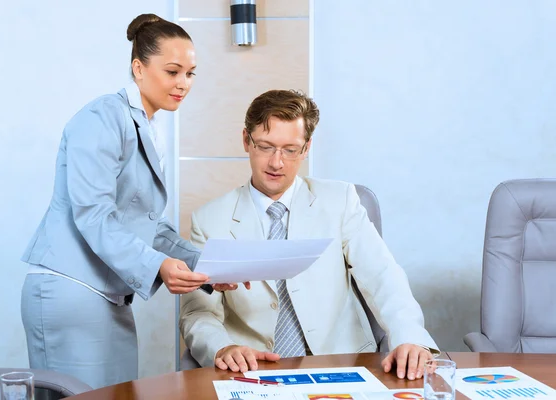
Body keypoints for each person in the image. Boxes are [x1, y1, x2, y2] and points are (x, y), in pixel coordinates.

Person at [20, 13, 227, 389]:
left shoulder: (150, 125)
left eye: (191, 73)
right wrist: (158, 265)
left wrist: (207, 267)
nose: (183, 84)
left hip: (107, 296)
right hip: (72, 290)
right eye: (173, 71)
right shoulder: (102, 117)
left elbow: (147, 223)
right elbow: (94, 215)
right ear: (139, 68)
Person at [179, 89, 439, 381]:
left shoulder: (340, 200)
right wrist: (222, 347)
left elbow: (382, 277)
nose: (277, 162)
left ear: (306, 148)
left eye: (290, 150)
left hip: (341, 365)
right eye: (265, 147)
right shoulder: (209, 220)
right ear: (246, 141)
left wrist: (411, 337)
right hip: (254, 372)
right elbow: (198, 313)